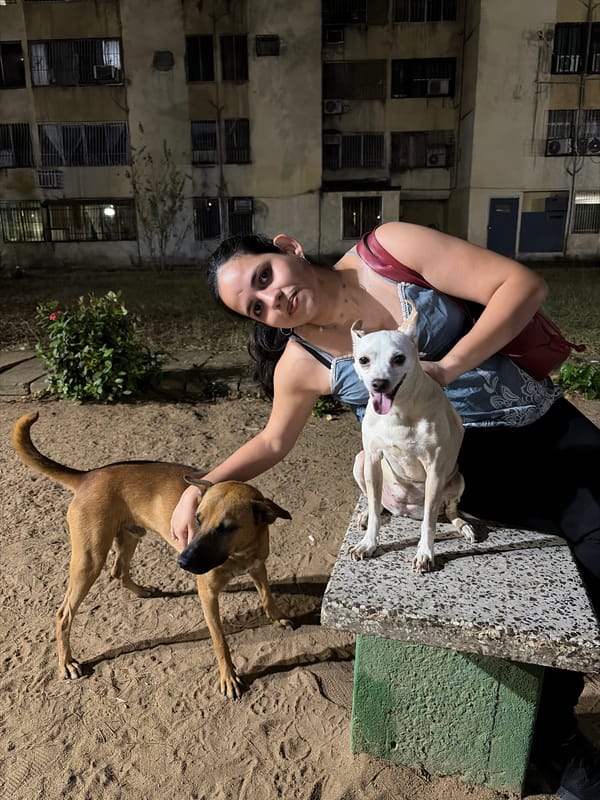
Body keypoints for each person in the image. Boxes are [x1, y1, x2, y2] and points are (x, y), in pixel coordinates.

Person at [170, 221, 600, 799]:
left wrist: (446, 368)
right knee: (569, 580)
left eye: (265, 276)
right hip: (464, 477)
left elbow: (522, 287)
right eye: (257, 308)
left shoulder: (391, 249)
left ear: (289, 249)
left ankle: (550, 732)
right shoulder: (302, 363)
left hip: (547, 426)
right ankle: (557, 742)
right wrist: (199, 485)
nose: (273, 299)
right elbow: (273, 443)